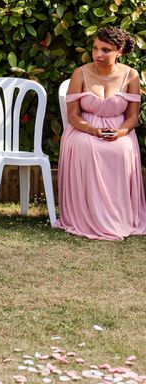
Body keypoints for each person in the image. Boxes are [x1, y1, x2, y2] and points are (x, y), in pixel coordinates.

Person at [56, 26, 146, 240]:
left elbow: (133, 116)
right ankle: (88, 216)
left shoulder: (131, 75)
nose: (98, 54)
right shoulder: (80, 73)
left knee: (122, 148)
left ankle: (118, 217)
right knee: (88, 147)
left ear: (119, 51)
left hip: (119, 130)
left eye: (105, 50)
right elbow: (73, 116)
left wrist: (121, 132)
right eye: (95, 48)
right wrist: (93, 130)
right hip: (83, 129)